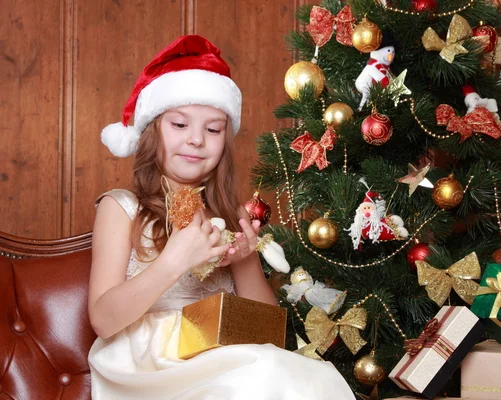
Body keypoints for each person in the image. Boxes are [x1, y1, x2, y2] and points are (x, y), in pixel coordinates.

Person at [88, 35, 355, 400]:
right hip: (148, 364)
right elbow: (102, 320)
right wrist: (175, 259)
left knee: (305, 374)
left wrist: (245, 262)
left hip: (219, 351)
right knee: (256, 375)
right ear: (152, 131)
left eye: (212, 129)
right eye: (179, 125)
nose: (197, 140)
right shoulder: (122, 208)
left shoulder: (228, 217)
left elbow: (269, 335)